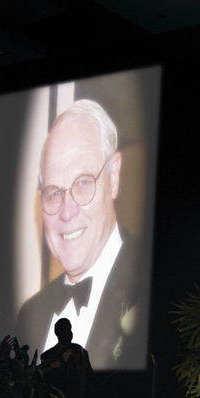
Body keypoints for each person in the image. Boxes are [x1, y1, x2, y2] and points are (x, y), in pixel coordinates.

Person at [16, 100, 145, 370]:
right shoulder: (30, 314)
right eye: (54, 192)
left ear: (114, 175)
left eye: (83, 182)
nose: (67, 212)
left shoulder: (146, 280)